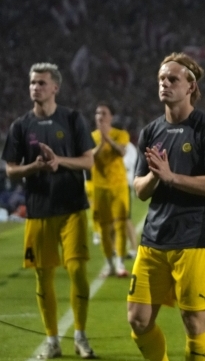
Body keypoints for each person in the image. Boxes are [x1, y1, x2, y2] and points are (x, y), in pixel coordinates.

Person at [127, 53, 205, 361]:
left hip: (194, 241)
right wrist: (157, 179)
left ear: (190, 86)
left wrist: (171, 177)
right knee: (138, 319)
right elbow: (139, 190)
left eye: (173, 79)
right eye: (161, 79)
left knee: (194, 322)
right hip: (153, 240)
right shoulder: (150, 131)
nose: (165, 84)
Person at [1, 62, 97, 359]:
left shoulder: (72, 119)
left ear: (55, 87)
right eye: (32, 83)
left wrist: (59, 162)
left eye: (41, 83)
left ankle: (80, 335)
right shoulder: (20, 125)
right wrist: (36, 167)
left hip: (71, 208)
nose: (35, 88)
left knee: (78, 270)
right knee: (43, 276)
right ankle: (53, 340)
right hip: (39, 210)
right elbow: (10, 170)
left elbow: (88, 162)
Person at [91, 102, 131, 277]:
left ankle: (120, 264)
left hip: (119, 186)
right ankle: (109, 265)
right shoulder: (91, 136)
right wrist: (101, 142)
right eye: (98, 113)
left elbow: (121, 152)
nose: (100, 116)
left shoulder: (120, 134)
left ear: (111, 117)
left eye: (104, 113)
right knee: (104, 228)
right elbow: (89, 157)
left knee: (120, 226)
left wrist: (107, 138)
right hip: (99, 187)